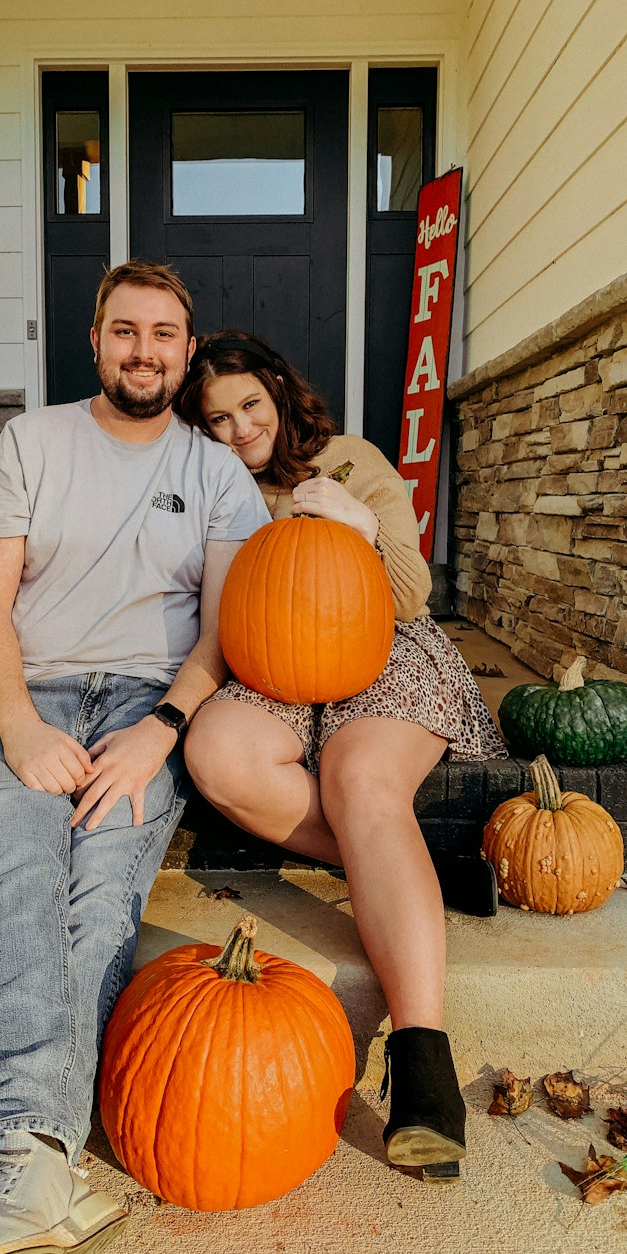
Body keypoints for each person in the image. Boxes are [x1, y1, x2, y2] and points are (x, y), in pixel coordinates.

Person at [0, 268, 269, 1254]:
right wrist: (21, 723)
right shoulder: (34, 441)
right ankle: (34, 1176)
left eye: (164, 334)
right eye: (125, 330)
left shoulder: (215, 472)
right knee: (18, 874)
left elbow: (228, 625)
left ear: (185, 349)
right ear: (95, 341)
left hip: (142, 711)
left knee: (99, 896)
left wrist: (163, 727)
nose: (143, 349)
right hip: (25, 697)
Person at [175, 330, 508, 1184]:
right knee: (217, 752)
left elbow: (410, 595)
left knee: (361, 780)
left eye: (250, 404)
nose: (240, 427)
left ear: (280, 389)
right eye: (217, 418)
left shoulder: (351, 459)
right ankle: (429, 867)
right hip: (277, 667)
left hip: (384, 648)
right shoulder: (215, 489)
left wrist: (357, 523)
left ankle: (425, 1059)